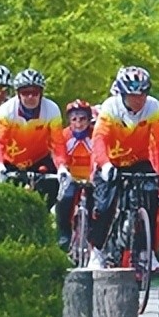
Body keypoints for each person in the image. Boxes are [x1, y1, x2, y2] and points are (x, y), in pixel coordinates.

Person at [87, 66, 159, 271]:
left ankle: (148, 251)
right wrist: (106, 165)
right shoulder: (111, 107)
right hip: (111, 161)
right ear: (123, 94)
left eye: (143, 94)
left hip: (138, 161)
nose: (139, 100)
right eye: (133, 95)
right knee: (106, 206)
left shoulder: (153, 107)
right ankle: (97, 250)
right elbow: (99, 139)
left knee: (152, 197)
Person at [0, 68, 68, 209]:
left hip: (38, 160)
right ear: (18, 94)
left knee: (51, 194)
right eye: (25, 93)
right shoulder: (6, 110)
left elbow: (57, 143)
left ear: (41, 94)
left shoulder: (52, 109)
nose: (30, 97)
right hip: (11, 162)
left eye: (35, 93)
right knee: (4, 203)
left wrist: (62, 166)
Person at [56, 99, 95, 250]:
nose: (78, 124)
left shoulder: (94, 135)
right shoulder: (64, 136)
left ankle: (93, 237)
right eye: (74, 119)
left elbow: (97, 155)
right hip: (71, 177)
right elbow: (59, 155)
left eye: (83, 119)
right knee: (65, 198)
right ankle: (64, 232)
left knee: (97, 206)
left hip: (91, 178)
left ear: (89, 119)